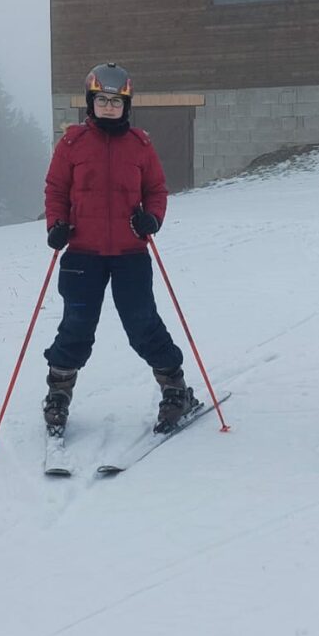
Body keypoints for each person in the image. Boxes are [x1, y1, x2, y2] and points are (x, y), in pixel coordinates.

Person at [42, 62, 197, 437]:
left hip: (130, 253)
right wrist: (56, 225)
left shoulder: (140, 145)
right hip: (82, 253)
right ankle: (58, 393)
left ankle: (175, 389)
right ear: (90, 102)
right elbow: (56, 189)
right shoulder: (72, 144)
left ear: (126, 105)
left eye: (116, 101)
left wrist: (152, 219)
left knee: (142, 323)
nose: (109, 107)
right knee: (76, 325)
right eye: (102, 100)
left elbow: (156, 190)